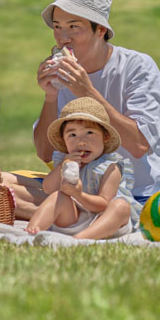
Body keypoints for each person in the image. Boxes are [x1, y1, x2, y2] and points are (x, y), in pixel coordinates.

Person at [6, 0, 160, 229]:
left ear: (100, 30)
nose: (63, 38)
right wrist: (50, 96)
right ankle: (70, 216)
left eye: (74, 27)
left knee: (13, 195)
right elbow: (45, 153)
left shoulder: (138, 67)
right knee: (0, 182)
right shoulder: (63, 75)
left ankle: (77, 220)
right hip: (80, 190)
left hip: (140, 194)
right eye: (57, 27)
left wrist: (86, 91)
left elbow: (140, 144)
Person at [25, 97, 140, 239]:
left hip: (104, 221)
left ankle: (82, 238)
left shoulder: (111, 166)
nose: (81, 142)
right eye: (72, 135)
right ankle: (32, 231)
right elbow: (48, 188)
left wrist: (78, 194)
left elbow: (104, 204)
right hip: (74, 219)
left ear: (105, 136)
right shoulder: (65, 161)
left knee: (121, 206)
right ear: (64, 140)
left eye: (89, 133)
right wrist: (63, 166)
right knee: (58, 196)